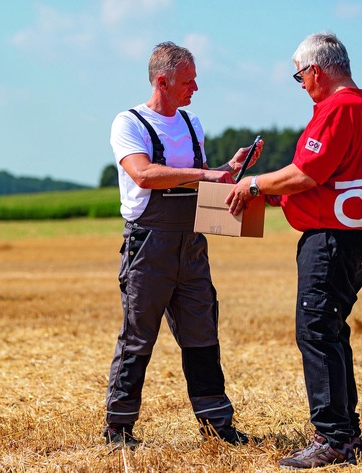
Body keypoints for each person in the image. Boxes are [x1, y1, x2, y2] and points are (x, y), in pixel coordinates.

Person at [226, 32, 362, 469]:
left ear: (315, 70)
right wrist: (278, 195)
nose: (302, 86)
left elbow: (307, 173)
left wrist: (255, 184)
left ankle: (332, 438)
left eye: (300, 77)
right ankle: (346, 434)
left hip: (332, 237)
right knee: (329, 329)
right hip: (352, 231)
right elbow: (326, 178)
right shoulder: (361, 107)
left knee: (315, 331)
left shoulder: (337, 108)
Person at [103, 41, 262, 450]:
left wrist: (228, 169)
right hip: (148, 247)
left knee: (202, 331)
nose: (195, 88)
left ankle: (216, 425)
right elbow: (144, 175)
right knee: (138, 336)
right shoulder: (129, 123)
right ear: (163, 81)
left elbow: (201, 179)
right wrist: (207, 176)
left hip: (191, 244)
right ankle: (119, 428)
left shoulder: (193, 125)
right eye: (188, 81)